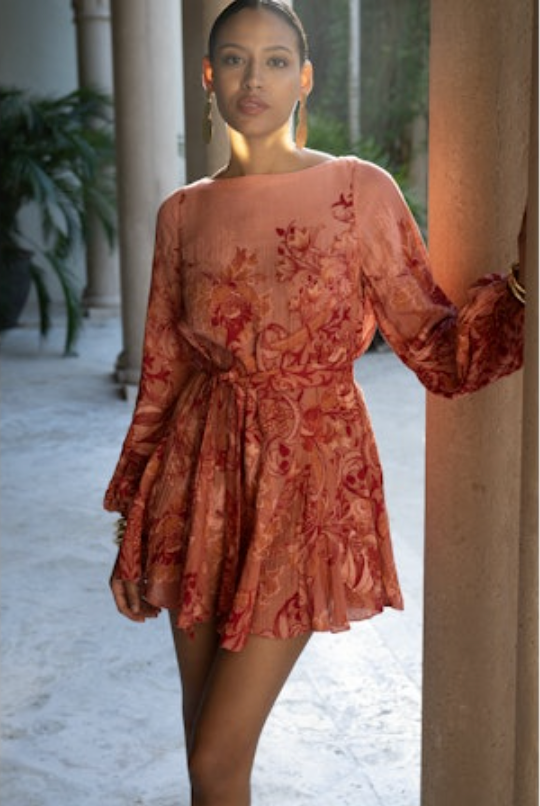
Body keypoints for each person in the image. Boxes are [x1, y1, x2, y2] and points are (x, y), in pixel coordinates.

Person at [104, 1, 526, 804]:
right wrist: (131, 520)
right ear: (208, 77)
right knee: (206, 748)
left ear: (304, 78)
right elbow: (163, 375)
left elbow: (435, 345)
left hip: (307, 481)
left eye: (271, 60)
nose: (251, 77)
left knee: (213, 760)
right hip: (196, 487)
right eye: (232, 59)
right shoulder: (181, 213)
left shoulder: (357, 190)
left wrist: (522, 289)